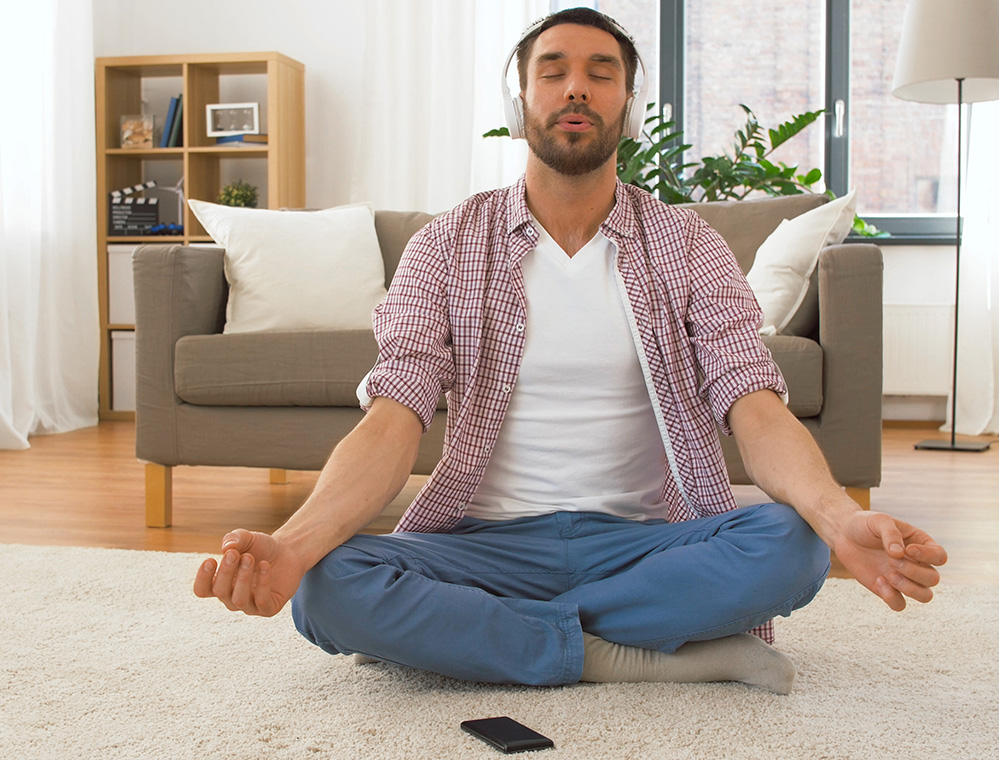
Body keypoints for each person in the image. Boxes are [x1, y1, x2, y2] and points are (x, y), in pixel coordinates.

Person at [193, 8, 947, 694]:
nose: (576, 89)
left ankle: (492, 638)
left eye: (601, 73)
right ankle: (622, 655)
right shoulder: (446, 246)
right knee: (327, 585)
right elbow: (394, 418)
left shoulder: (687, 246)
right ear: (520, 105)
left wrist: (837, 516)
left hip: (641, 546)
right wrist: (290, 549)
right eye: (552, 72)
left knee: (793, 545)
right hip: (484, 545)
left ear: (628, 107)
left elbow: (752, 401)